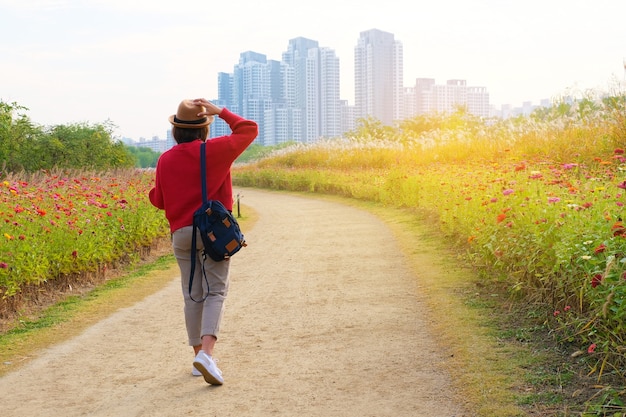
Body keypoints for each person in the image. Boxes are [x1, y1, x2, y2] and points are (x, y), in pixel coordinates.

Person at [149, 98, 258, 385]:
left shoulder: (165, 159)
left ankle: (199, 357)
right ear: (203, 128)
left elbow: (158, 200)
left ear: (176, 130)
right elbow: (249, 130)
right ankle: (207, 354)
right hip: (212, 233)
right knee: (215, 292)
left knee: (191, 294)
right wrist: (220, 111)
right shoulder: (215, 151)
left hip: (181, 234)